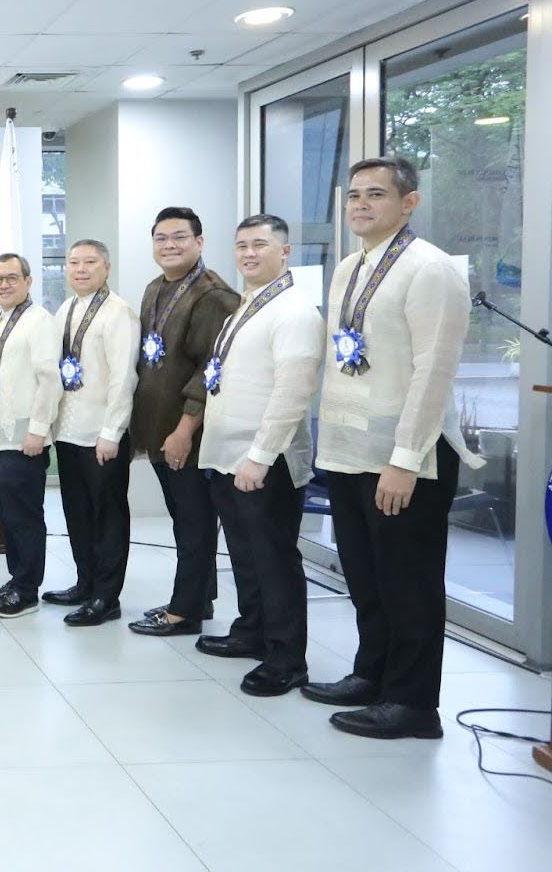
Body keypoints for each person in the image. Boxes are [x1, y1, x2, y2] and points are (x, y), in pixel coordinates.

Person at [304, 156, 481, 739]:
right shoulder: (351, 266)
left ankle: (411, 703)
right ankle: (372, 674)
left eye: (376, 194)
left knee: (408, 582)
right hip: (352, 450)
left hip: (409, 456)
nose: (360, 204)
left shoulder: (430, 269)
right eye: (354, 194)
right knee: (366, 576)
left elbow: (434, 371)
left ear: (409, 203)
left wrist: (404, 460)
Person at [197, 214, 324, 695]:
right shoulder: (246, 307)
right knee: (246, 556)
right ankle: (252, 631)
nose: (249, 254)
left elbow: (293, 393)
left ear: (285, 252)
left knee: (274, 560)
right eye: (242, 245)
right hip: (228, 456)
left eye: (260, 245)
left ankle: (287, 657)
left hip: (265, 460)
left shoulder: (294, 311)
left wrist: (261, 454)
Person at [127, 207, 240, 637]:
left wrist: (184, 430)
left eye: (179, 237)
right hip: (159, 428)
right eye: (161, 238)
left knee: (194, 523)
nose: (169, 246)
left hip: (187, 434)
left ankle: (184, 610)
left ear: (200, 241)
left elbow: (211, 370)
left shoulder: (212, 295)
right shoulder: (156, 288)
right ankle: (199, 599)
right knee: (183, 519)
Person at [44, 239, 139, 626]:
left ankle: (106, 596)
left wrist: (112, 431)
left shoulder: (118, 313)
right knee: (77, 513)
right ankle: (85, 583)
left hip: (102, 434)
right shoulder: (66, 308)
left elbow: (123, 378)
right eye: (73, 263)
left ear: (107, 267)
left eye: (89, 262)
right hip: (69, 431)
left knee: (108, 517)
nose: (80, 269)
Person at [0, 253, 62, 619]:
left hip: (24, 439)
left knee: (26, 517)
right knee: (8, 516)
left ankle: (27, 590)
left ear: (29, 281)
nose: (4, 284)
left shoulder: (39, 321)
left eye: (12, 277)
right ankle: (16, 578)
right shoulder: (0, 321)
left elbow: (50, 381)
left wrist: (38, 431)